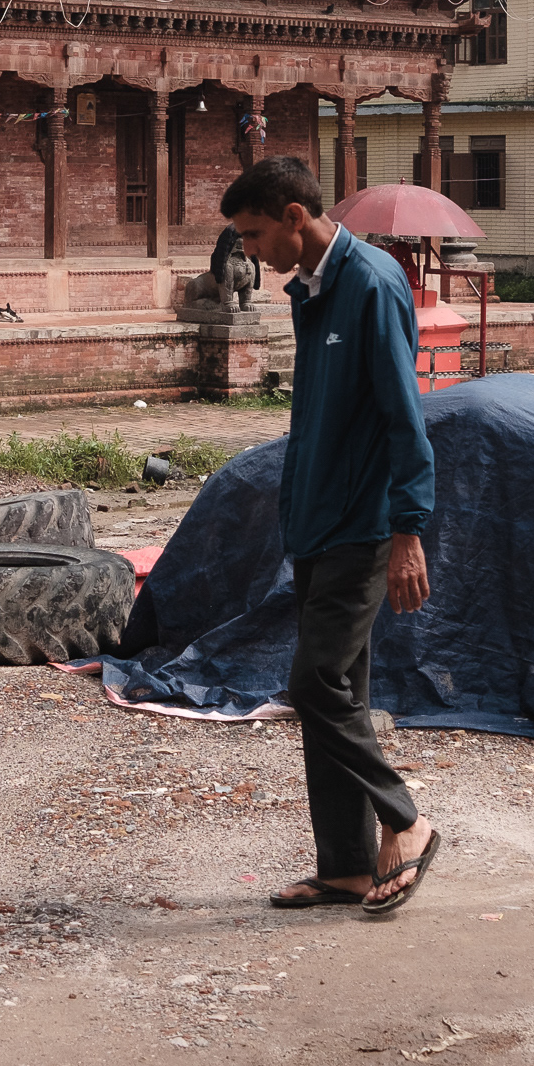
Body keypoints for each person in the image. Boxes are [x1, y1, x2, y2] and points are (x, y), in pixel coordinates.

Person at [218, 154, 439, 916]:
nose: (249, 251)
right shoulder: (309, 292)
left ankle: (406, 820)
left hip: (362, 526)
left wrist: (409, 530)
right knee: (337, 690)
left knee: (314, 685)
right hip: (315, 522)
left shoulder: (370, 284)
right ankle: (345, 865)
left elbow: (403, 420)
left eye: (252, 234)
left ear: (293, 216)